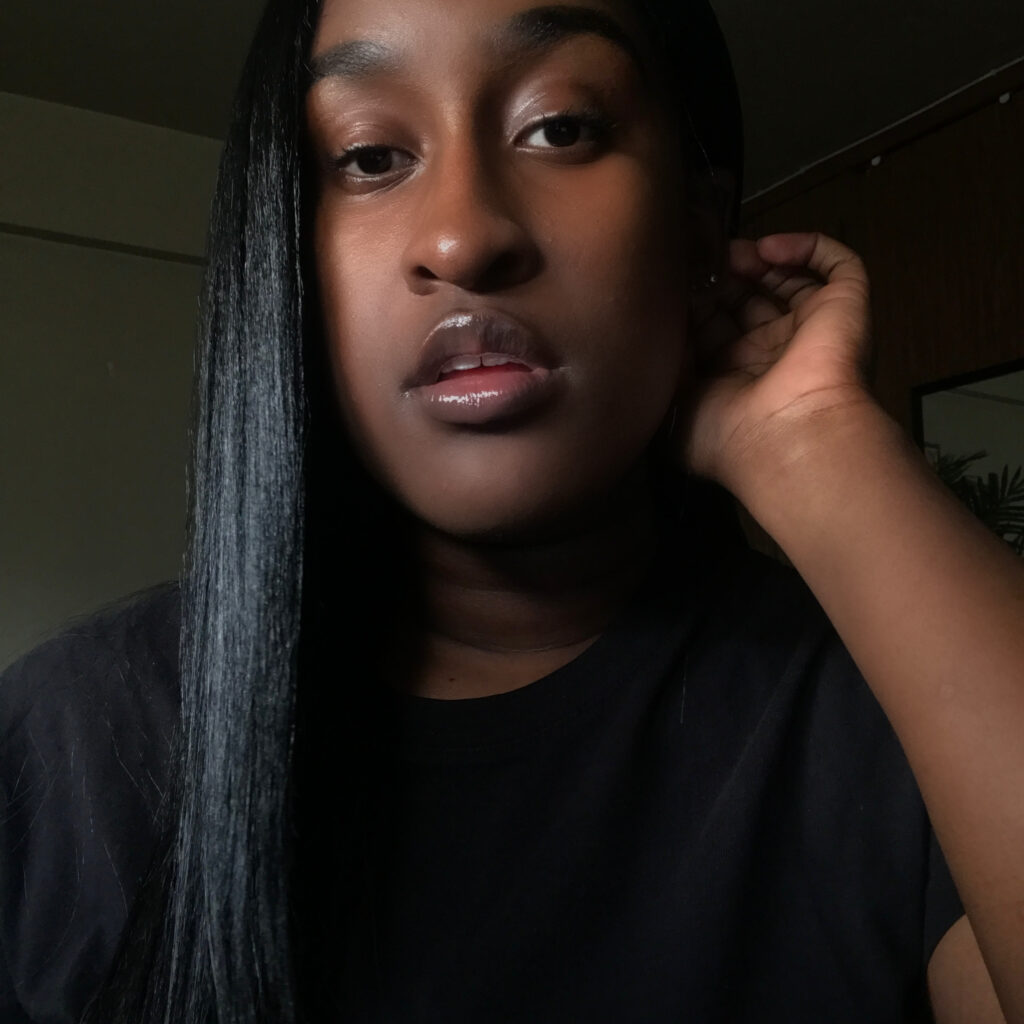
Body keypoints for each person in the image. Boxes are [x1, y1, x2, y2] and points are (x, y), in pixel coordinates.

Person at [1, 0, 1022, 1021]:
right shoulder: (66, 747)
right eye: (366, 155)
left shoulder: (891, 720)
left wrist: (816, 443)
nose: (462, 235)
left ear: (696, 232)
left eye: (560, 126)